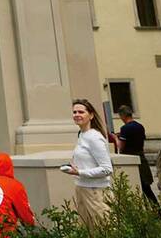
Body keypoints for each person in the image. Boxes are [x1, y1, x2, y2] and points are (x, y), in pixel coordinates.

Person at [61, 98, 112, 229]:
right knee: (88, 231)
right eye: (74, 112)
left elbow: (107, 169)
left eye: (81, 112)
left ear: (91, 115)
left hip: (95, 191)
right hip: (82, 188)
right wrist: (74, 167)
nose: (77, 115)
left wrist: (80, 172)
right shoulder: (82, 135)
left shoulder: (94, 137)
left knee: (106, 230)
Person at [116, 105, 157, 204]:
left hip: (129, 159)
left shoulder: (125, 128)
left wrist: (116, 137)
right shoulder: (140, 126)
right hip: (141, 158)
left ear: (122, 116)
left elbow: (120, 146)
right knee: (147, 188)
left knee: (135, 187)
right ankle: (157, 209)